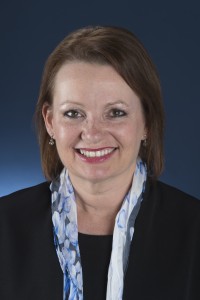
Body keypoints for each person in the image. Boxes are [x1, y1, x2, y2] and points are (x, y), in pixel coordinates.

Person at [0, 26, 200, 300]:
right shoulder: (4, 226)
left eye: (116, 113)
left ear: (147, 123)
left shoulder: (194, 230)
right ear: (50, 122)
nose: (92, 133)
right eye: (73, 113)